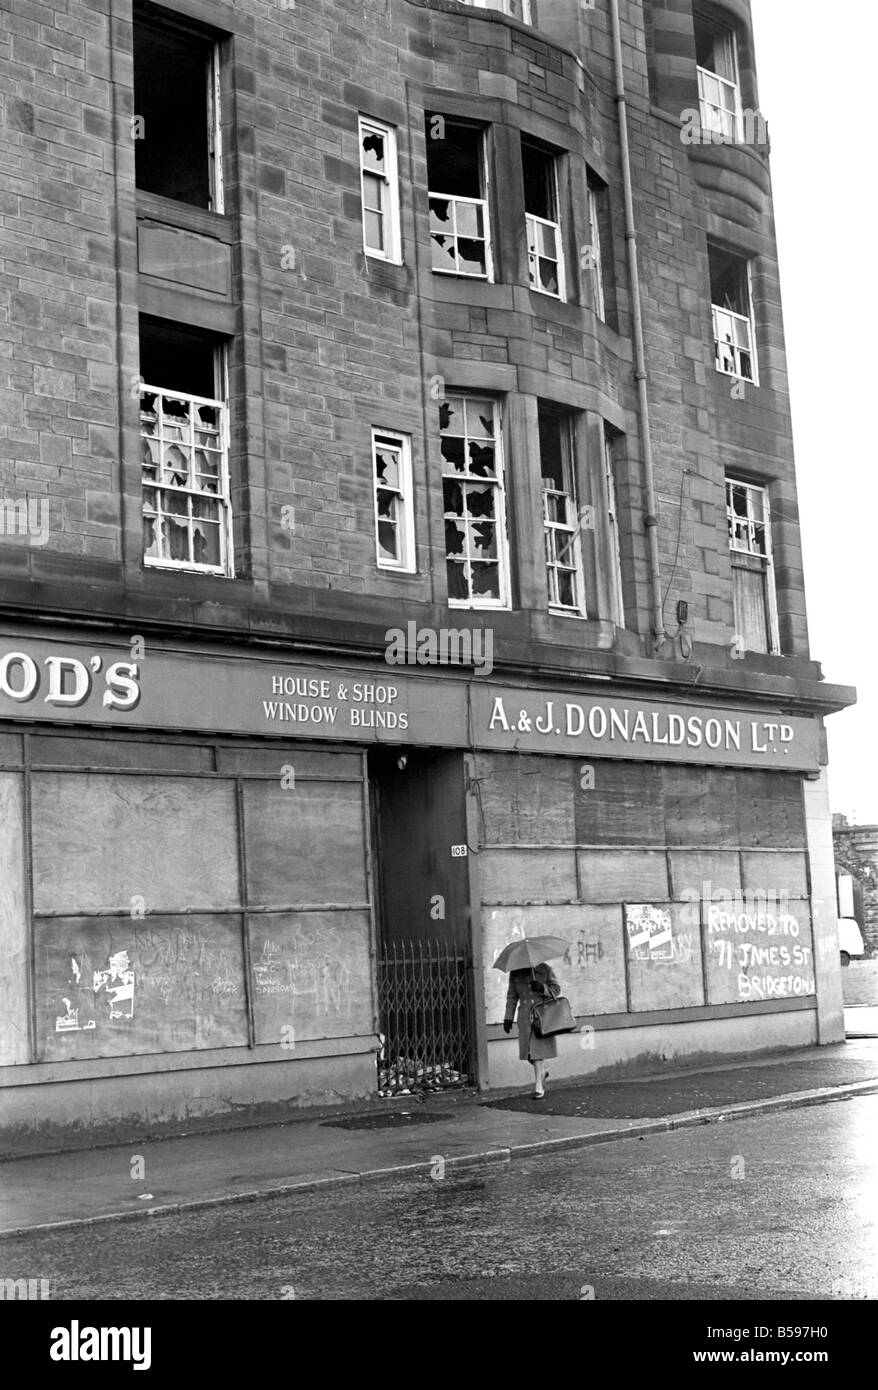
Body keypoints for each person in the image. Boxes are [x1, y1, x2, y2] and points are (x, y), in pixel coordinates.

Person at [503, 962, 561, 1099]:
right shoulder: (515, 973)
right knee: (528, 1053)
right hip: (524, 1017)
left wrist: (543, 988)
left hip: (540, 1015)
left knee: (537, 1052)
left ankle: (538, 1086)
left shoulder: (545, 969)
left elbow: (557, 990)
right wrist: (508, 1018)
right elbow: (512, 996)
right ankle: (543, 1071)